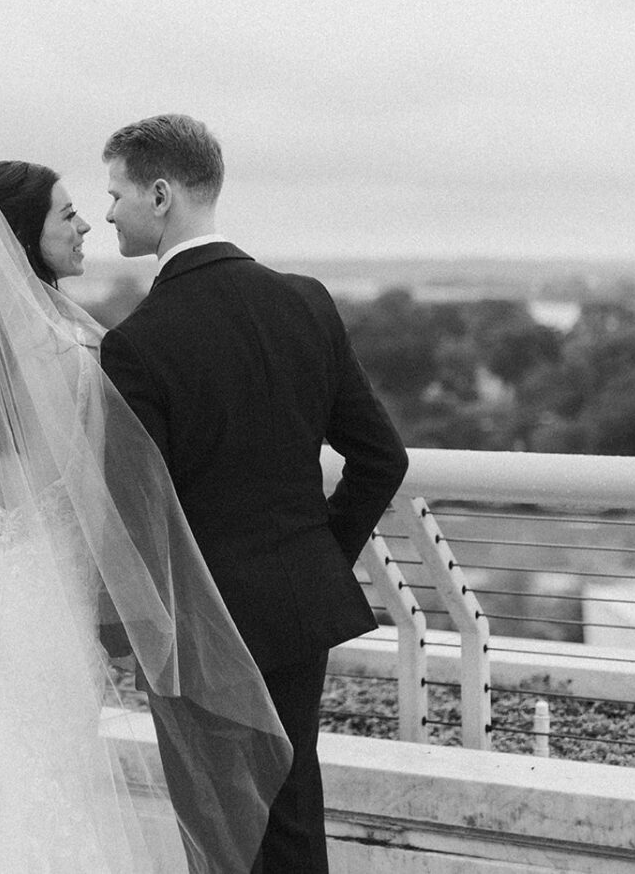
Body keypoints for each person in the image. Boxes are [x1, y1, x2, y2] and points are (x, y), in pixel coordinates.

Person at [0, 160, 291, 874]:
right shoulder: (77, 353)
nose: (86, 222)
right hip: (46, 605)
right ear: (23, 236)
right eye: (67, 214)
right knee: (53, 779)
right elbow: (110, 503)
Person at [99, 115, 409, 874]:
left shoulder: (137, 343)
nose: (107, 212)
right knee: (291, 812)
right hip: (298, 605)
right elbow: (381, 456)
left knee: (220, 831)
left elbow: (133, 513)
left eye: (115, 193)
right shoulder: (304, 301)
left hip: (199, 627)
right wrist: (318, 556)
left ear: (162, 194)